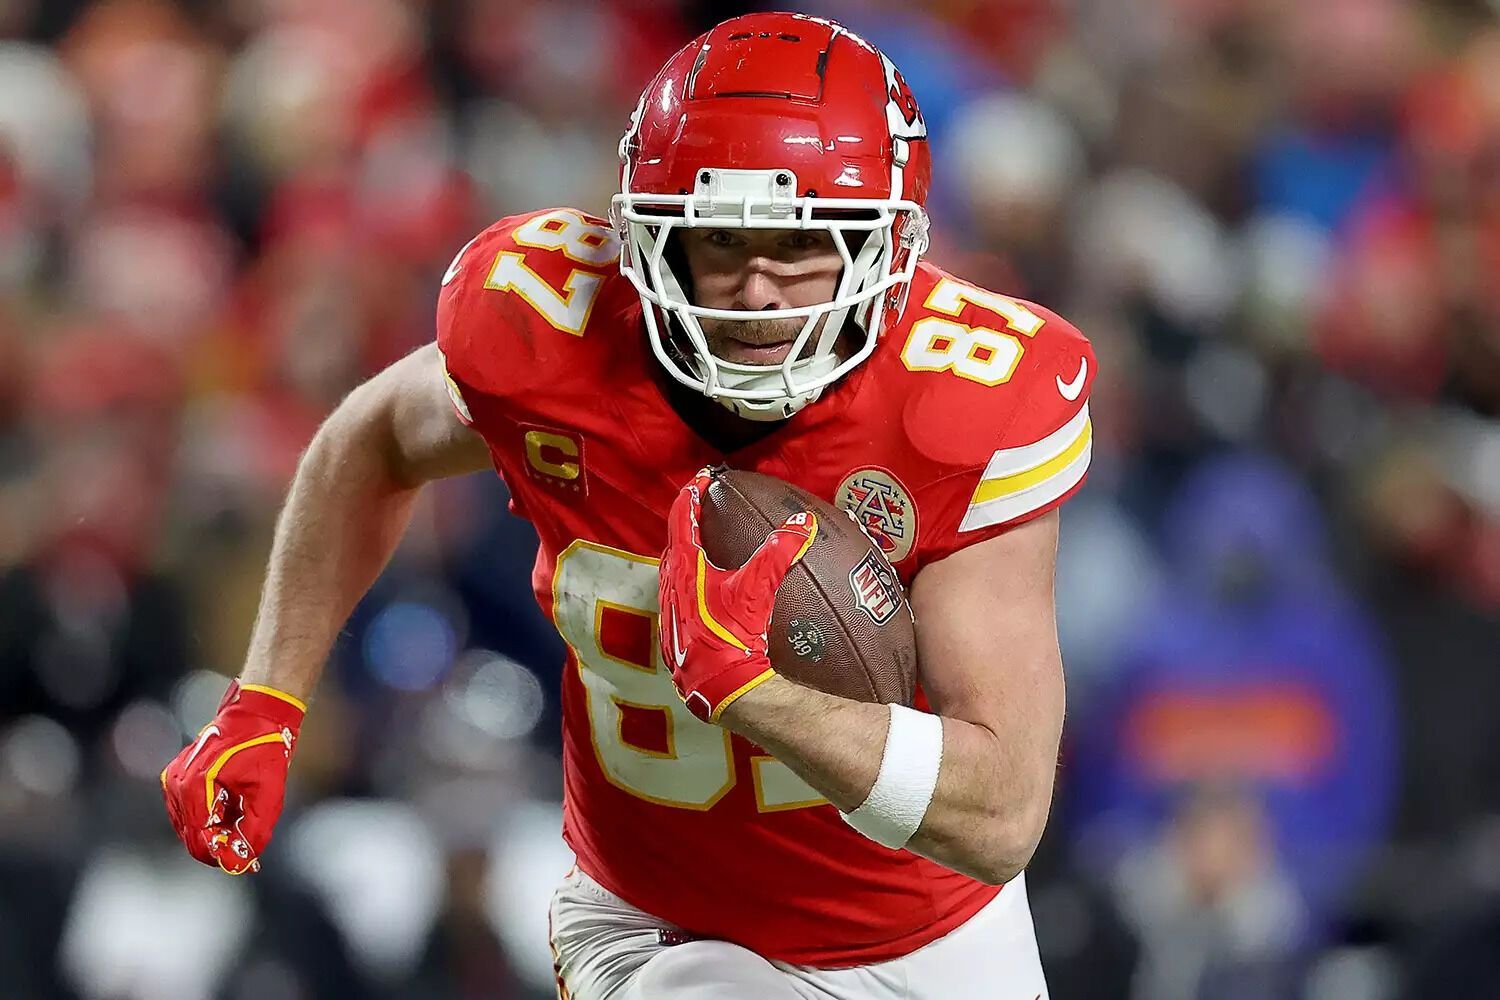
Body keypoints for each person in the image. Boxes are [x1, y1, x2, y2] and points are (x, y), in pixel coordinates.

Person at [160, 12, 1095, 998]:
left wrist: (755, 694)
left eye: (804, 241)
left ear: (891, 242)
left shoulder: (960, 398)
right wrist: (265, 696)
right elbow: (372, 439)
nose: (758, 291)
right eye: (719, 241)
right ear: (645, 233)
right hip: (654, 916)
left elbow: (1000, 814)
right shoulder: (553, 332)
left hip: (924, 924)